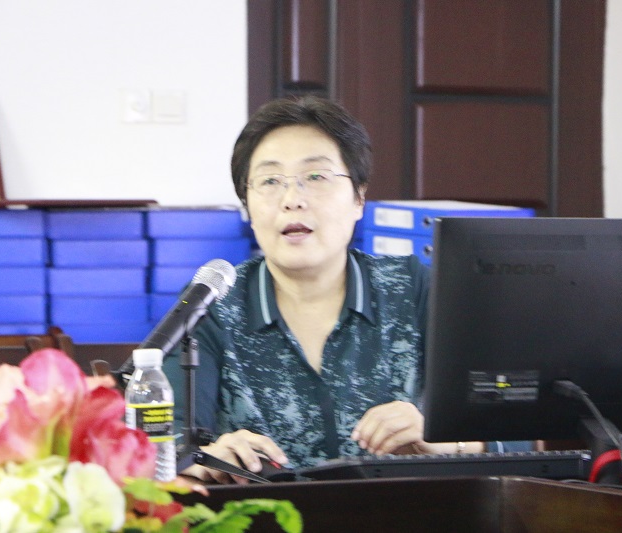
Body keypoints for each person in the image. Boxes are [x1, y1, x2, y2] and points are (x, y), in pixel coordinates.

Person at [173, 95, 482, 484]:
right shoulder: (214, 303)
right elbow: (161, 442)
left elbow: (516, 429)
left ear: (359, 198)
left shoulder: (413, 288)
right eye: (270, 181)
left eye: (316, 177)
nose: (292, 200)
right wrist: (207, 458)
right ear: (248, 207)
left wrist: (448, 441)